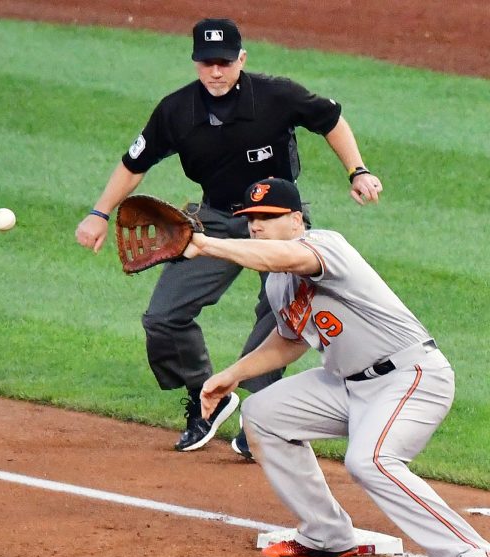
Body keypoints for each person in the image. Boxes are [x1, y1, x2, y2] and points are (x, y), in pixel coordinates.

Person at [75, 17, 383, 453]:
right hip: (214, 218)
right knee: (163, 317)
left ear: (242, 58)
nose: (215, 72)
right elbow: (134, 163)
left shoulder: (276, 95)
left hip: (278, 222)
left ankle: (262, 418)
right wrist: (98, 213)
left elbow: (330, 119)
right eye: (206, 63)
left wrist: (358, 170)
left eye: (223, 62)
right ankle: (209, 398)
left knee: (282, 314)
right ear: (196, 63)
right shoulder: (176, 111)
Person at [189, 178, 490, 557]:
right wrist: (231, 375)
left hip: (410, 377)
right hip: (349, 385)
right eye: (250, 218)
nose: (255, 226)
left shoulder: (325, 245)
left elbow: (284, 258)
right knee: (261, 415)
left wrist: (206, 245)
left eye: (267, 217)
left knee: (370, 461)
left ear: (296, 221)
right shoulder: (278, 283)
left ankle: (472, 551)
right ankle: (327, 534)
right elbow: (289, 340)